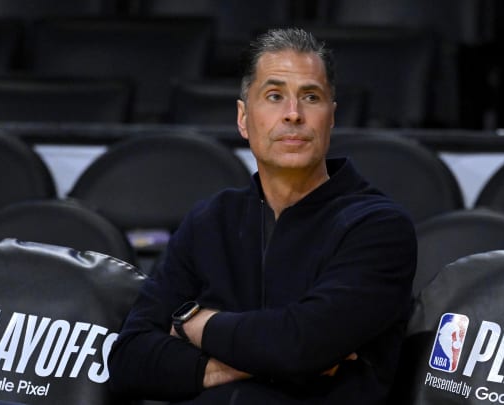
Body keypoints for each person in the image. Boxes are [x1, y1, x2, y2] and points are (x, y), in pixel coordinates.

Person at [108, 27, 417, 404]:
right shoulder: (210, 220)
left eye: (311, 97)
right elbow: (129, 359)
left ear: (331, 117)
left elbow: (300, 344)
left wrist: (192, 324)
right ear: (243, 118)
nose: (293, 114)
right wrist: (239, 363)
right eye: (274, 96)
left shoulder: (379, 227)